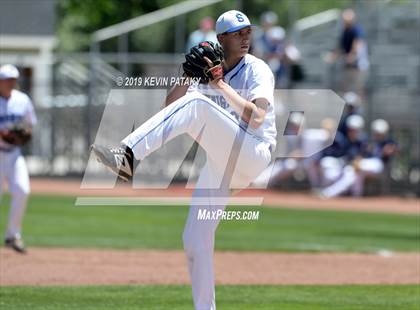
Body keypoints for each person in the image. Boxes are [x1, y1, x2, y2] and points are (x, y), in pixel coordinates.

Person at [92, 10, 276, 310]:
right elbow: (171, 106)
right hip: (221, 165)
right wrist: (188, 75)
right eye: (238, 33)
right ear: (221, 39)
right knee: (194, 239)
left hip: (253, 151)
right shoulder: (209, 71)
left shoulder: (257, 69)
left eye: (248, 32)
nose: (245, 37)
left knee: (197, 105)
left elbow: (256, 118)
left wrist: (218, 85)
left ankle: (126, 155)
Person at [0, 64, 37, 253]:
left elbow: (30, 125)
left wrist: (24, 134)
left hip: (14, 154)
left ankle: (12, 235)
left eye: (13, 79)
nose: (10, 82)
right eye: (7, 79)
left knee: (22, 190)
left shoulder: (22, 100)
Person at [320, 119, 397, 198]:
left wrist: (390, 150)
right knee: (353, 171)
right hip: (363, 164)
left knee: (354, 168)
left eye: (380, 132)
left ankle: (329, 193)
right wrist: (357, 160)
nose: (377, 134)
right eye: (376, 132)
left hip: (378, 164)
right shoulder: (368, 141)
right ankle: (356, 196)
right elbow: (361, 154)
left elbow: (395, 150)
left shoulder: (388, 141)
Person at [325, 9, 369, 95]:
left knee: (358, 91)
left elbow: (358, 43)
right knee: (346, 91)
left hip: (358, 66)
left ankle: (358, 108)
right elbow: (341, 48)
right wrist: (333, 56)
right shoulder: (345, 32)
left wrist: (352, 55)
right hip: (349, 66)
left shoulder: (357, 29)